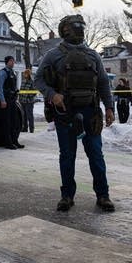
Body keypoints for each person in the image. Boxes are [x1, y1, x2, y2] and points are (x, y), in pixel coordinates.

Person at [34, 14, 115, 212]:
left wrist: (110, 107)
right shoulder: (53, 55)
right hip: (65, 113)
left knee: (96, 154)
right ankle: (67, 196)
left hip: (90, 111)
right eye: (74, 26)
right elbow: (39, 80)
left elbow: (103, 83)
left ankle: (103, 195)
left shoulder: (93, 55)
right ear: (64, 30)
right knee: (67, 156)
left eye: (80, 26)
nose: (78, 30)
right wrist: (52, 95)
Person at [0, 56, 23, 149]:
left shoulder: (13, 72)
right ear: (6, 62)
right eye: (11, 61)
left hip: (13, 100)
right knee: (7, 122)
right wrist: (2, 100)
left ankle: (14, 141)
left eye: (13, 61)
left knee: (14, 122)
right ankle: (8, 142)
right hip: (6, 100)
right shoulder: (3, 72)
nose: (13, 63)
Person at [18, 68, 36, 133]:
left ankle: (31, 129)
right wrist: (19, 98)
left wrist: (28, 95)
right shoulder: (23, 81)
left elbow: (34, 92)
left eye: (25, 73)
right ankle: (25, 128)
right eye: (24, 73)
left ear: (28, 74)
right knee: (24, 116)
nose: (24, 74)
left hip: (29, 102)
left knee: (30, 116)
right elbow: (21, 90)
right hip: (22, 101)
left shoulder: (32, 82)